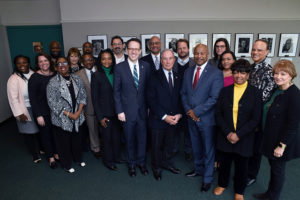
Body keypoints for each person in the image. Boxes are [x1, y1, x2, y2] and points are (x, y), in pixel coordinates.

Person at [214, 59, 262, 200]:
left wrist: (238, 134)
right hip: (225, 134)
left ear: (248, 74)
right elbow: (218, 114)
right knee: (225, 163)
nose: (238, 76)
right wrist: (228, 133)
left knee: (242, 166)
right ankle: (222, 184)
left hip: (245, 136)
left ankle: (239, 191)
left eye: (242, 73)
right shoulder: (225, 91)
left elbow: (255, 119)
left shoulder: (255, 93)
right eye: (235, 72)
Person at [253, 60, 300, 200]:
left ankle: (273, 197)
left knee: (277, 170)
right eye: (276, 73)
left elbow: (292, 125)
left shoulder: (295, 95)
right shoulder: (277, 89)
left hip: (282, 141)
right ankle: (270, 193)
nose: (278, 76)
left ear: (291, 75)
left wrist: (281, 145)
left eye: (283, 74)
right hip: (271, 136)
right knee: (273, 168)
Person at [181, 44, 223, 192]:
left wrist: (196, 112)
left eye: (202, 53)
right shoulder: (188, 72)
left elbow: (214, 98)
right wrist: (189, 111)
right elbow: (184, 94)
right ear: (193, 54)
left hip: (206, 119)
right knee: (196, 146)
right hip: (191, 118)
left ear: (208, 54)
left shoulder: (216, 73)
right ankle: (198, 169)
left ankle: (208, 178)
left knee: (208, 149)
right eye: (196, 53)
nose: (199, 56)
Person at [114, 38, 151, 177]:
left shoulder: (146, 66)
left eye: (136, 49)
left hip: (143, 111)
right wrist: (119, 111)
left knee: (142, 139)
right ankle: (131, 165)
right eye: (131, 49)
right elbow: (116, 92)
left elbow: (148, 89)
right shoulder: (119, 67)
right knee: (129, 140)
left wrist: (149, 108)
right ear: (127, 50)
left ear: (140, 51)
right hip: (126, 113)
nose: (134, 51)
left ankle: (141, 163)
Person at [47, 56, 86, 173]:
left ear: (68, 65)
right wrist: (69, 114)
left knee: (76, 140)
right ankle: (66, 164)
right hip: (62, 119)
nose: (62, 66)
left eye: (64, 63)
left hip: (77, 117)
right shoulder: (53, 82)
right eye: (59, 64)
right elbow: (52, 102)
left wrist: (78, 113)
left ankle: (78, 159)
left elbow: (83, 96)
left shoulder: (76, 78)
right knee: (63, 143)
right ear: (56, 68)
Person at [147, 49, 182, 181]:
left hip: (174, 119)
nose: (168, 61)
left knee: (170, 145)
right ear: (161, 61)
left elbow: (179, 98)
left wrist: (178, 114)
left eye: (170, 58)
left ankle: (167, 163)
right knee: (156, 146)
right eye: (165, 59)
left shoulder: (178, 76)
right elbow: (151, 100)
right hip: (158, 119)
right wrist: (164, 117)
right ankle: (156, 168)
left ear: (174, 60)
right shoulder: (153, 76)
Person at [247, 39, 276, 186]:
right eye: (253, 49)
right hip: (245, 115)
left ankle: (251, 174)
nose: (255, 52)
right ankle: (245, 171)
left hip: (257, 117)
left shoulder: (270, 72)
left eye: (259, 50)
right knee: (247, 145)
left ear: (267, 52)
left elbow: (264, 98)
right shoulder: (250, 68)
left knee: (256, 148)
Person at [91, 49, 122, 170]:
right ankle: (108, 161)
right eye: (103, 58)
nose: (106, 61)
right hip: (105, 114)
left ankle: (116, 157)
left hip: (117, 112)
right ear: (100, 60)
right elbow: (95, 98)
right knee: (107, 139)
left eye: (109, 58)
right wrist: (100, 117)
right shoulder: (96, 75)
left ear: (113, 60)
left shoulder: (117, 72)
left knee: (116, 137)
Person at [7, 55, 40, 163]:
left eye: (24, 62)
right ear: (15, 65)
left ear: (28, 63)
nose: (22, 65)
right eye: (19, 63)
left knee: (39, 130)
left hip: (36, 107)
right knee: (29, 133)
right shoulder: (13, 79)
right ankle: (34, 154)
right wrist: (19, 113)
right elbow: (13, 99)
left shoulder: (34, 74)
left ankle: (42, 149)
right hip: (23, 109)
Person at [28, 52, 58, 169]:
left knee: (56, 134)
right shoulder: (34, 78)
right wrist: (38, 115)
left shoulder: (54, 74)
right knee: (46, 135)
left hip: (55, 111)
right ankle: (51, 157)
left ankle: (56, 153)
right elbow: (33, 99)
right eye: (40, 61)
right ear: (37, 64)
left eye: (45, 60)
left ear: (49, 61)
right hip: (42, 112)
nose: (43, 63)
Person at [172, 39, 195, 161]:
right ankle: (174, 149)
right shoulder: (172, 62)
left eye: (184, 48)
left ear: (188, 49)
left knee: (188, 127)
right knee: (175, 125)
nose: (182, 50)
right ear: (177, 50)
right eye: (179, 48)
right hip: (175, 99)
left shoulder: (194, 63)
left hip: (189, 100)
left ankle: (188, 150)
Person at [76, 53, 101, 158]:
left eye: (90, 59)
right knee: (92, 128)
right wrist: (82, 109)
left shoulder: (101, 70)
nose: (89, 62)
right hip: (88, 107)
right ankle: (96, 148)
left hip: (103, 105)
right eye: (86, 60)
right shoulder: (77, 75)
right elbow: (77, 94)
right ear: (82, 62)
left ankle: (107, 146)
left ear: (94, 60)